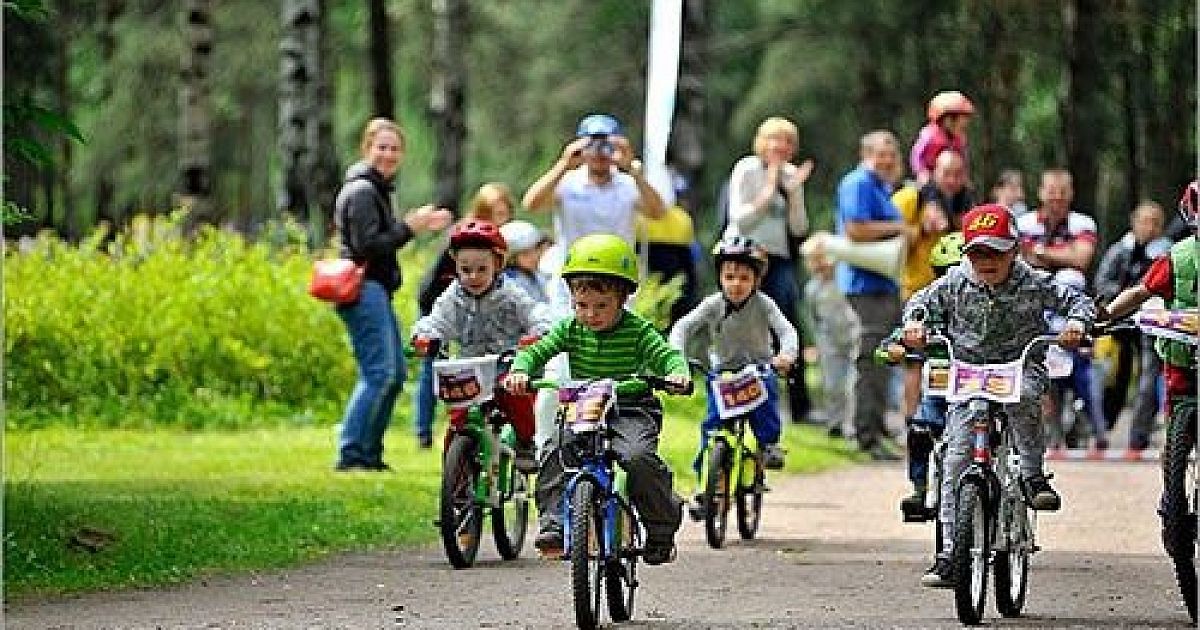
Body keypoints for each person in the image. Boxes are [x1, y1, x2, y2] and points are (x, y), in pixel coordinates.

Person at [905, 204, 1094, 587]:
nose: (986, 261)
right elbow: (919, 303)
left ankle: (1032, 476)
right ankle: (949, 551)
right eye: (977, 252)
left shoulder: (1034, 282)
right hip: (970, 375)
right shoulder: (954, 283)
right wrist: (914, 325)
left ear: (1015, 249)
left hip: (1018, 367)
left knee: (1024, 399)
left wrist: (1076, 323)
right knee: (955, 456)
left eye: (996, 251)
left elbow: (1078, 300)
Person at [503, 234, 690, 565]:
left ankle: (661, 528)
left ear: (623, 298)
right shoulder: (570, 328)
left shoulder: (638, 330)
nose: (590, 314)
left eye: (601, 306)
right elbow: (536, 351)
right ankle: (554, 525)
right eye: (581, 305)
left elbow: (667, 356)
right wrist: (521, 371)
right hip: (583, 407)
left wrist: (677, 374)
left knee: (636, 457)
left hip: (629, 408)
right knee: (554, 449)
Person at [332, 117, 453, 471]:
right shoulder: (361, 192)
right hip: (362, 289)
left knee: (396, 373)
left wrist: (413, 226)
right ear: (366, 148)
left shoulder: (378, 190)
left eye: (395, 148)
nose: (388, 154)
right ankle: (351, 452)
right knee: (379, 373)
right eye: (381, 147)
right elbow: (366, 245)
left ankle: (369, 454)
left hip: (376, 290)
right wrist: (409, 228)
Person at [1097, 180, 1198, 584]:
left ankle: (1170, 496)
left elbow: (1140, 292)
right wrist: (1104, 316)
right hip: (1184, 370)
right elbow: (1140, 292)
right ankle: (1172, 499)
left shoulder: (1176, 254)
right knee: (1176, 437)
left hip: (1181, 369)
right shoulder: (1178, 259)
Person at [410, 219, 554, 472]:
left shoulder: (510, 293)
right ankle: (455, 487)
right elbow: (436, 322)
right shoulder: (453, 297)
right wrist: (423, 337)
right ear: (455, 266)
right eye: (465, 270)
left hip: (506, 364)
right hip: (470, 369)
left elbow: (536, 314)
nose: (473, 277)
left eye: (481, 269)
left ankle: (525, 442)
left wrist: (539, 332)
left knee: (515, 396)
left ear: (497, 264)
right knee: (457, 425)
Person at [669, 236, 797, 490]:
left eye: (744, 278)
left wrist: (786, 355)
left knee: (766, 405)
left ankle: (768, 445)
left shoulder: (764, 304)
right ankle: (705, 487)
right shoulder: (713, 304)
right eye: (729, 277)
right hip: (723, 374)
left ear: (756, 281)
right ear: (720, 278)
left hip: (758, 369)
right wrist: (676, 356)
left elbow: (786, 331)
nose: (736, 284)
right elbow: (683, 327)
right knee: (711, 428)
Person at [723, 116, 815, 424]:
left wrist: (793, 193)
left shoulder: (790, 176)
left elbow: (799, 227)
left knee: (786, 326)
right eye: (775, 139)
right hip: (743, 256)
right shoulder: (747, 168)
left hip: (777, 259)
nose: (782, 147)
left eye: (788, 141)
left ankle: (798, 407)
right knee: (740, 324)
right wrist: (771, 183)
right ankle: (735, 397)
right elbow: (741, 219)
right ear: (762, 142)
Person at [412, 182, 517, 449]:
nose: (500, 220)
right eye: (494, 214)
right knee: (433, 367)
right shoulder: (464, 239)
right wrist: (429, 330)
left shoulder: (498, 248)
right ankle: (423, 431)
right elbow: (440, 287)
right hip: (442, 303)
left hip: (478, 316)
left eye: (504, 214)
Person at [1016, 169, 1106, 449]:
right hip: (1034, 307)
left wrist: (1040, 253)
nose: (1056, 196)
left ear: (1071, 193)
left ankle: (1098, 430)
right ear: (1041, 192)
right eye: (1051, 190)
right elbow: (1019, 261)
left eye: (1062, 190)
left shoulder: (1083, 222)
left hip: (1071, 309)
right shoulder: (1024, 222)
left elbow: (1081, 259)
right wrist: (1063, 256)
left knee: (1083, 366)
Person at [880, 232, 964, 521]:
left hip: (982, 391)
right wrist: (894, 347)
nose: (954, 283)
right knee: (919, 429)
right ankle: (920, 487)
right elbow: (901, 333)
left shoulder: (991, 310)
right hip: (941, 394)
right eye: (945, 274)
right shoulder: (927, 308)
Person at [835, 130, 907, 460]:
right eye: (881, 153)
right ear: (866, 154)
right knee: (869, 362)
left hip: (883, 287)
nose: (888, 160)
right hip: (865, 289)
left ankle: (875, 431)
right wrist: (901, 229)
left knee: (881, 362)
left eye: (892, 154)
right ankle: (864, 434)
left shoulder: (881, 186)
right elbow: (855, 229)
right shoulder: (858, 184)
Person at [522, 113, 665, 252]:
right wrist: (564, 164)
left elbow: (658, 213)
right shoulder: (567, 182)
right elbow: (531, 205)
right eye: (592, 145)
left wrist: (632, 170)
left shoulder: (629, 184)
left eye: (605, 145)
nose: (599, 153)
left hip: (616, 270)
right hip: (574, 270)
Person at [1094, 201, 1172, 451]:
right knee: (1112, 374)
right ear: (1134, 222)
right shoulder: (1119, 251)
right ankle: (1102, 423)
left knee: (1148, 378)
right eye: (1144, 221)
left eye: (1155, 222)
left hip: (1151, 323)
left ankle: (1138, 436)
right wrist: (1125, 296)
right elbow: (1101, 282)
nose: (1149, 227)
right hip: (1118, 322)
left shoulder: (1167, 254)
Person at [801, 241, 860, 440]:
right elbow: (812, 317)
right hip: (828, 340)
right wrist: (816, 342)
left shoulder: (845, 280)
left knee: (853, 383)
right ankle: (835, 421)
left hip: (851, 335)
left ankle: (851, 424)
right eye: (815, 262)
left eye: (824, 260)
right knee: (833, 384)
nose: (822, 265)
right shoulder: (812, 288)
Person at [895, 150, 973, 299]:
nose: (952, 180)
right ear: (934, 172)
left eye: (958, 174)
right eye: (946, 173)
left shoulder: (966, 206)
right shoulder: (910, 198)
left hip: (950, 294)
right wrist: (922, 230)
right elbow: (886, 242)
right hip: (913, 293)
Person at [909, 91, 975, 185]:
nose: (964, 124)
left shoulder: (960, 139)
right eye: (959, 120)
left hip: (952, 179)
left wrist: (964, 177)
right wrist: (921, 172)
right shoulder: (929, 135)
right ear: (946, 119)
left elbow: (964, 160)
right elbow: (916, 156)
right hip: (930, 178)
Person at [499, 220, 553, 304]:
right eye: (525, 254)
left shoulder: (540, 275)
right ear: (512, 259)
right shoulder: (510, 284)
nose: (534, 257)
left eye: (535, 249)